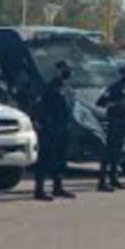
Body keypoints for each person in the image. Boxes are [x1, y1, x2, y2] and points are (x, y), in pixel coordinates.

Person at [33, 60, 76, 201]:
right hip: (50, 128)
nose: (66, 71)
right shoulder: (50, 87)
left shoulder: (67, 87)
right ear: (57, 70)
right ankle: (39, 190)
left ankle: (58, 187)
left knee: (61, 158)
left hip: (64, 127)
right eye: (63, 69)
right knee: (45, 158)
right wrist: (45, 124)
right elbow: (41, 107)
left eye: (67, 68)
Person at [97, 81, 125, 192]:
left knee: (117, 154)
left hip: (123, 123)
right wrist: (115, 104)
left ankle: (114, 178)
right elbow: (100, 102)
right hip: (113, 124)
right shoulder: (112, 89)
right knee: (108, 153)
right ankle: (102, 181)